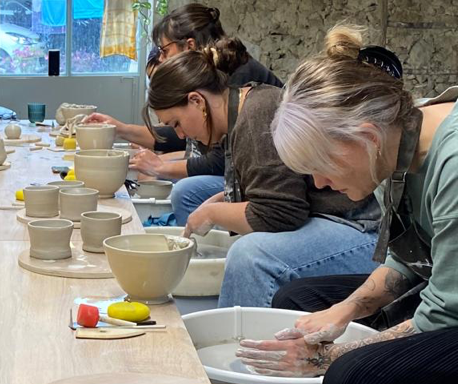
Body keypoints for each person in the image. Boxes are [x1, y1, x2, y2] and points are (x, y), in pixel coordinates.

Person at [237, 25, 458, 383]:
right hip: (446, 289)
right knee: (299, 300)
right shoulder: (392, 138)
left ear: (366, 138)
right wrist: (345, 310)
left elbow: (446, 312)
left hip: (453, 307)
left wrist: (326, 358)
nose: (320, 184)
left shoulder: (451, 162)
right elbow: (407, 257)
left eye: (320, 168)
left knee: (349, 372)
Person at [144, 49, 380, 308]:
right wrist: (224, 198)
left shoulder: (257, 112)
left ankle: (236, 341)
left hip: (363, 228)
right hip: (333, 216)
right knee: (191, 195)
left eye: (176, 123)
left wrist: (214, 213)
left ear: (197, 101)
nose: (182, 133)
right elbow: (280, 185)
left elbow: (281, 214)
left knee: (250, 256)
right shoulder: (244, 108)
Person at [84, 3, 282, 225]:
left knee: (186, 191)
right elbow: (187, 139)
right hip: (260, 185)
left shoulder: (246, 96)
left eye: (164, 51)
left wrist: (162, 168)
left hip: (288, 201)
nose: (161, 59)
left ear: (189, 46)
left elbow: (223, 164)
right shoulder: (215, 94)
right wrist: (122, 130)